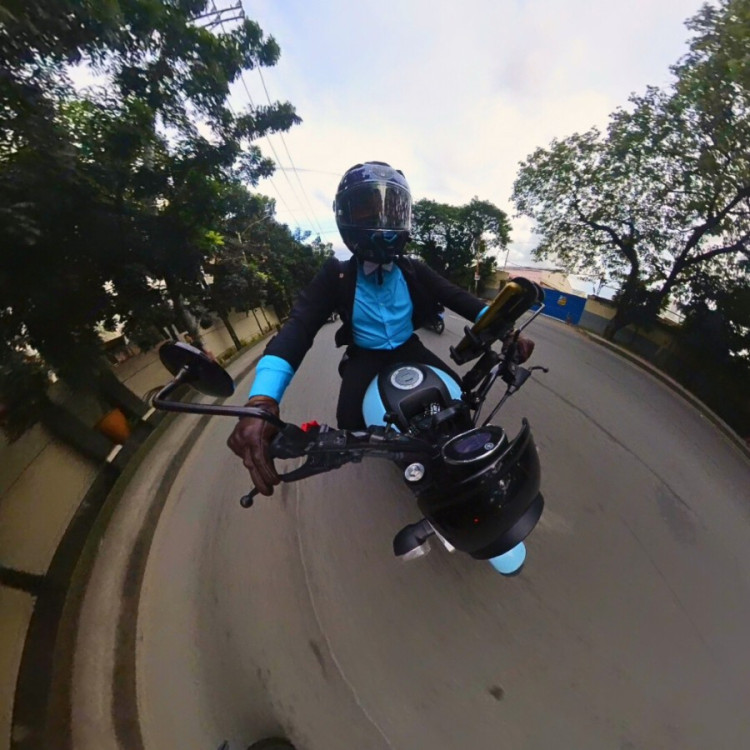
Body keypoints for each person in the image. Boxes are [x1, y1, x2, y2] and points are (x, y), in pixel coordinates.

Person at [227, 161, 534, 496]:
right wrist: (262, 401)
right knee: (347, 422)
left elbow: (460, 299)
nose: (383, 222)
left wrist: (507, 330)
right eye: (367, 211)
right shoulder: (335, 274)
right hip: (365, 356)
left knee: (460, 396)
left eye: (392, 211)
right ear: (345, 217)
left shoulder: (414, 269)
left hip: (409, 347)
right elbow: (297, 329)